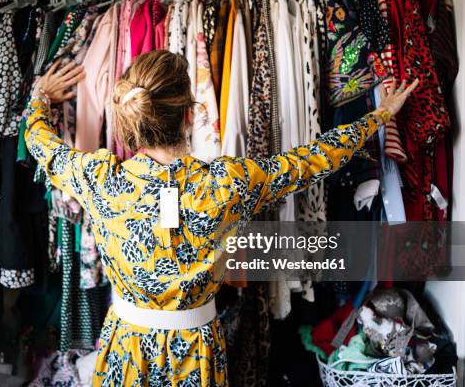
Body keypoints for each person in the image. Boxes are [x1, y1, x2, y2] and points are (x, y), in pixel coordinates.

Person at [25, 50, 418, 386]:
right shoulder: (227, 185)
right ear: (190, 115)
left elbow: (38, 140)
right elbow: (312, 160)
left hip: (127, 346)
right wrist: (378, 116)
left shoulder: (100, 178)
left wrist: (41, 96)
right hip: (195, 350)